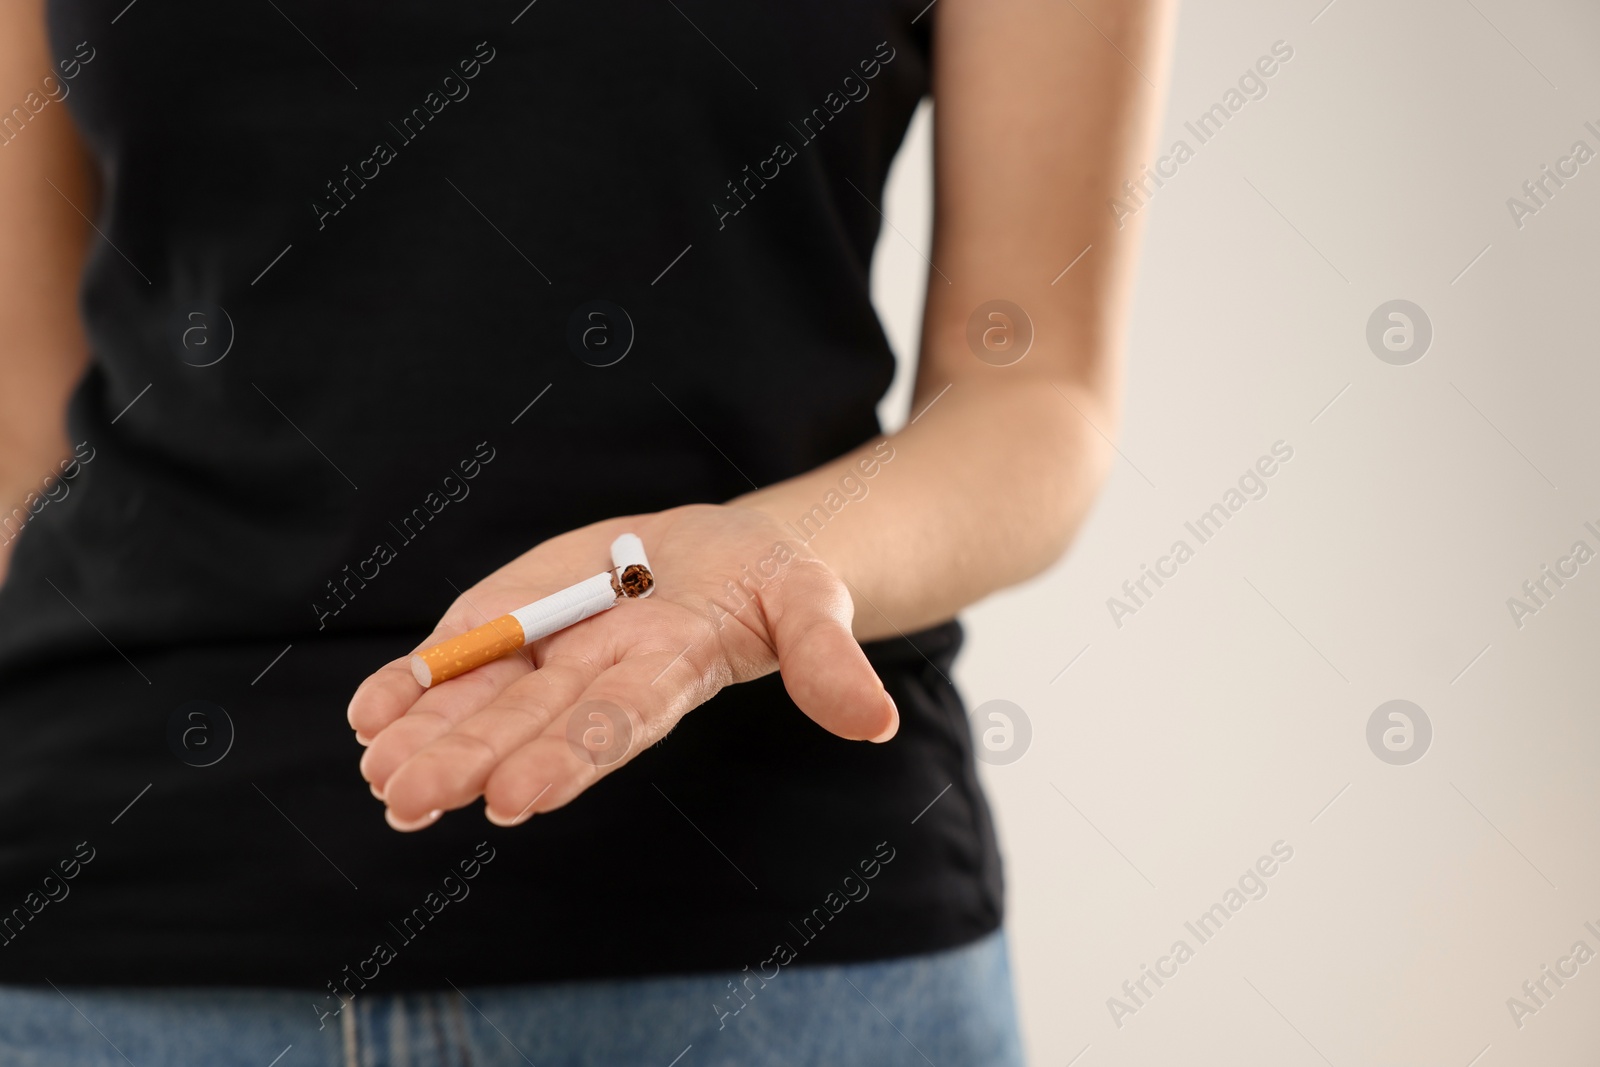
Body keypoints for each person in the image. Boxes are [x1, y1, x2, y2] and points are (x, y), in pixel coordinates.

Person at [0, 0, 1169, 1062]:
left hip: (774, 931)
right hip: (108, 907)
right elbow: (20, 415)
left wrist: (746, 566)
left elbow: (1034, 389)